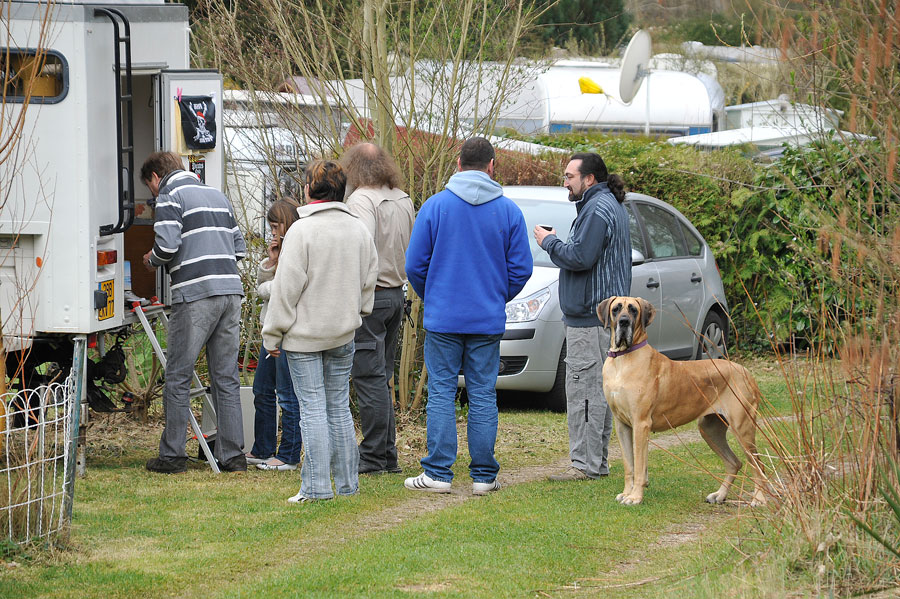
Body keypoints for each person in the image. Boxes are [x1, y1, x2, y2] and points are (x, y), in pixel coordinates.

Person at [403, 137, 533, 495]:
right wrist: (495, 296)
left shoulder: (435, 206)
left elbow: (414, 265)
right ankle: (484, 477)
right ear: (492, 166)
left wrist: (434, 296)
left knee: (441, 392)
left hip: (443, 318)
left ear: (458, 164)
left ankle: (438, 474)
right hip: (486, 319)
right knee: (483, 394)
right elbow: (521, 269)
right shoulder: (509, 212)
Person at [262, 160, 378, 503]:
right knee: (338, 408)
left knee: (312, 409)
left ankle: (316, 488)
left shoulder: (302, 231)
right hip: (343, 333)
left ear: (310, 189)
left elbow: (286, 289)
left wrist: (272, 334)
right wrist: (358, 311)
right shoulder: (358, 229)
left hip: (305, 338)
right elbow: (369, 279)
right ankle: (347, 485)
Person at [141, 151, 247, 474]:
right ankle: (233, 457)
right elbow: (239, 248)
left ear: (156, 177)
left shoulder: (169, 196)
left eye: (149, 187)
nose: (152, 193)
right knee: (226, 377)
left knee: (178, 375)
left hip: (195, 295)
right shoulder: (218, 196)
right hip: (230, 292)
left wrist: (151, 260)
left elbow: (167, 246)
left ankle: (173, 456)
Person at [532, 152, 631, 481]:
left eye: (569, 176)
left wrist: (549, 242)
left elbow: (580, 257)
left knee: (584, 390)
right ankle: (596, 463)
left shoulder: (597, 209)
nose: (565, 183)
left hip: (590, 319)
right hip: (603, 318)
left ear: (589, 179)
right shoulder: (606, 205)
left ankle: (585, 465)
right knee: (599, 391)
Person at [340, 143, 415, 475]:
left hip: (373, 298)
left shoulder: (361, 200)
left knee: (369, 378)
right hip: (396, 295)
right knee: (381, 378)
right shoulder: (403, 198)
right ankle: (386, 454)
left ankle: (372, 455)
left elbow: (361, 250)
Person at [246, 200, 303, 472]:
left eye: (274, 226)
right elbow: (265, 286)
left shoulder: (299, 248)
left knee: (288, 395)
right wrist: (271, 261)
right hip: (271, 329)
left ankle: (289, 454)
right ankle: (263, 448)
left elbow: (278, 290)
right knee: (262, 390)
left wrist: (268, 286)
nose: (271, 232)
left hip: (287, 331)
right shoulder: (280, 252)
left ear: (286, 224)